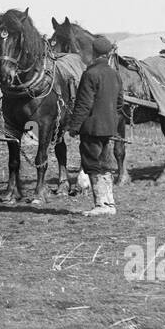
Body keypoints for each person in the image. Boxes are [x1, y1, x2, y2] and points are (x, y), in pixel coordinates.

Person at [65, 51, 123, 216]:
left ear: (94, 53)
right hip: (109, 127)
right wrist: (112, 121)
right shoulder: (114, 74)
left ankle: (101, 204)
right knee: (105, 164)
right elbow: (120, 103)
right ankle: (110, 203)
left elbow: (84, 104)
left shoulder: (90, 74)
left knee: (92, 164)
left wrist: (74, 126)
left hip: (92, 128)